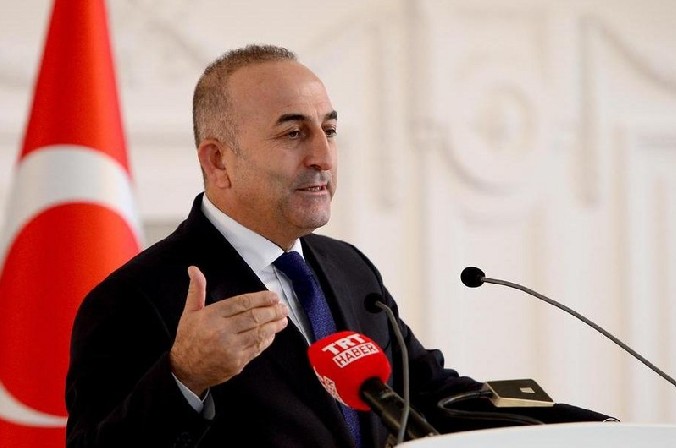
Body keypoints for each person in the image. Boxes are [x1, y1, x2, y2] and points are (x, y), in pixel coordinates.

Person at [65, 44, 612, 447]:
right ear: (218, 160)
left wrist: (596, 430)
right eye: (293, 133)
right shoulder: (134, 299)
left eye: (328, 129)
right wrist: (185, 377)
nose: (323, 157)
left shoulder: (348, 268)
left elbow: (428, 394)